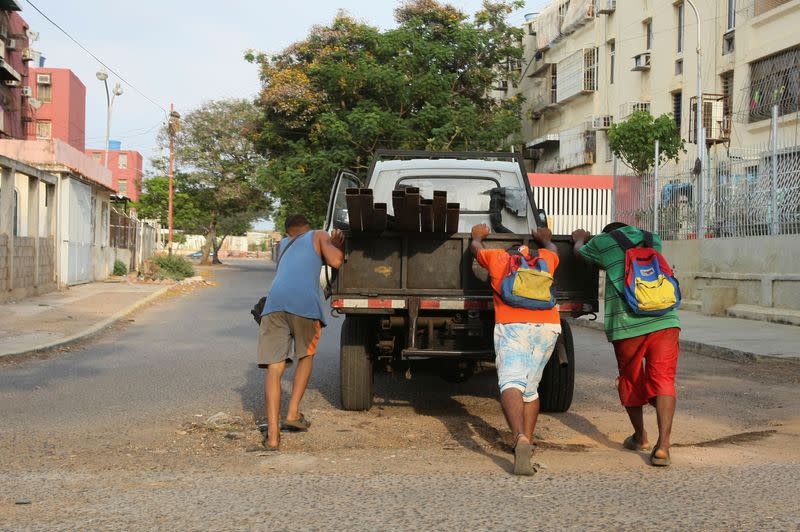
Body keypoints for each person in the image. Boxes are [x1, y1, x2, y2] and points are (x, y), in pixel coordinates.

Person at [572, 222, 681, 467]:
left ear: (607, 232)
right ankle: (663, 446)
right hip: (665, 320)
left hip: (626, 325)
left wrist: (580, 238)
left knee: (631, 379)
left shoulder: (602, 243)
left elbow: (580, 253)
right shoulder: (653, 238)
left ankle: (641, 437)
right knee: (664, 380)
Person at [471, 223, 561, 475]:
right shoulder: (545, 258)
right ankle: (527, 441)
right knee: (530, 390)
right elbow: (554, 248)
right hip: (548, 328)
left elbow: (475, 249)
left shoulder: (499, 258)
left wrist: (478, 236)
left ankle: (519, 437)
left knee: (511, 382)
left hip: (513, 326)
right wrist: (545, 239)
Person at [258, 214, 344, 451]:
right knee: (305, 355)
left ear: (288, 233)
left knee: (274, 370)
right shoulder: (318, 235)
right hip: (305, 307)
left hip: (273, 306)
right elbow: (336, 262)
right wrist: (337, 245)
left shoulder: (284, 245)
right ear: (308, 228)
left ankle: (273, 438)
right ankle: (293, 413)